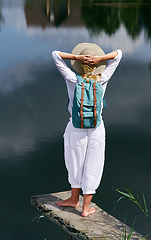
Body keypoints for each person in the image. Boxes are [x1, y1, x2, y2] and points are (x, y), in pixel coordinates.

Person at [52, 43, 122, 217]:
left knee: (75, 163)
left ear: (79, 64)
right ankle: (85, 208)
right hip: (97, 128)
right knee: (94, 164)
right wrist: (102, 58)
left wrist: (75, 58)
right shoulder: (103, 78)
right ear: (97, 65)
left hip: (76, 127)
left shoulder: (72, 79)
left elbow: (55, 55)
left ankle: (73, 199)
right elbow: (118, 55)